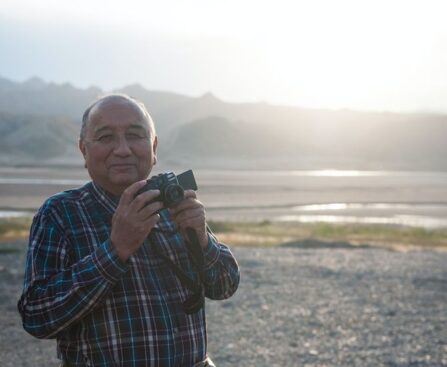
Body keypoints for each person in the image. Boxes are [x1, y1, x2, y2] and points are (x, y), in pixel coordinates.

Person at [18, 94, 240, 367]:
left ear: (154, 147)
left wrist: (203, 241)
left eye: (135, 135)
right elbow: (37, 317)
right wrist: (115, 250)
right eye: (105, 137)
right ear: (84, 151)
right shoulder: (61, 213)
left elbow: (225, 285)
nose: (122, 149)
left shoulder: (174, 204)